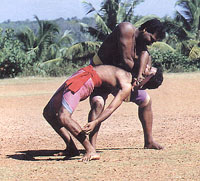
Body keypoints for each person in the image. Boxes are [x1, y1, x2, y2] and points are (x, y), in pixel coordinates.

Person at [43, 64, 162, 161]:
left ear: (147, 81)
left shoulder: (126, 86)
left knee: (64, 117)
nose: (147, 66)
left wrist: (96, 122)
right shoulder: (131, 67)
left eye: (150, 70)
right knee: (48, 113)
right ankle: (71, 148)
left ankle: (90, 150)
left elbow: (111, 108)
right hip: (80, 75)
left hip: (85, 80)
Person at [88, 18, 165, 151]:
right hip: (100, 72)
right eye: (152, 39)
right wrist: (142, 73)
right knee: (98, 103)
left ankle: (149, 141)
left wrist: (142, 74)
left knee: (146, 101)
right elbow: (126, 60)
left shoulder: (143, 49)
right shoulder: (126, 29)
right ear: (145, 30)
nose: (151, 43)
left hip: (120, 78)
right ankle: (91, 147)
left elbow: (144, 62)